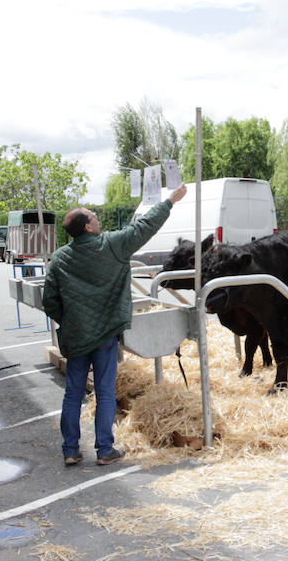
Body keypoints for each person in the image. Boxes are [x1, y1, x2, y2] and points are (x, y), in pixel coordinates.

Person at [42, 183, 187, 466]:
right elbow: (145, 226)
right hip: (105, 334)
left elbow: (50, 301)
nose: (97, 218)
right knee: (105, 391)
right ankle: (104, 449)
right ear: (87, 228)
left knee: (73, 392)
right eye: (93, 217)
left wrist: (71, 321)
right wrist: (170, 201)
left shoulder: (60, 259)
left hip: (76, 336)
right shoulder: (112, 246)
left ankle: (70, 449)